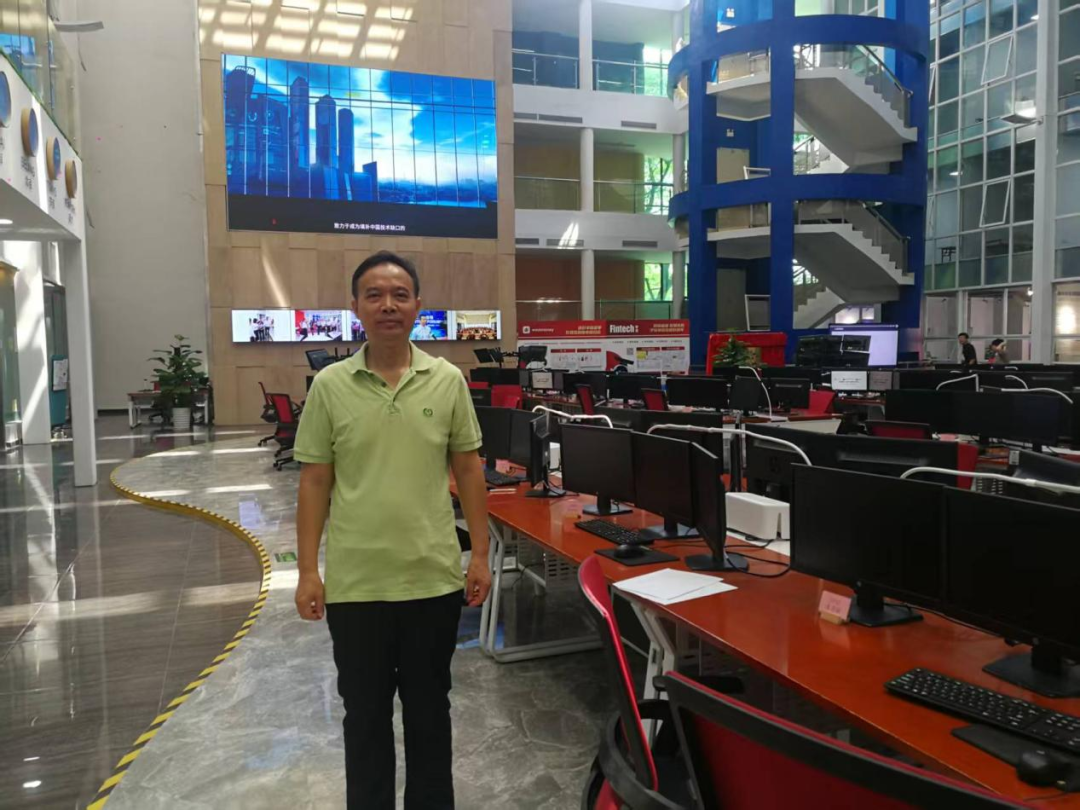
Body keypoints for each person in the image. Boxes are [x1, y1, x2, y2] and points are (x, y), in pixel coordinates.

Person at [293, 251, 491, 810]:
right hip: (357, 586)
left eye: (399, 295)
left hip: (432, 580)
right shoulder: (330, 385)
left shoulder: (446, 380)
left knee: (431, 714)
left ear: (418, 306)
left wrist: (479, 554)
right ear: (355, 307)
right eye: (374, 295)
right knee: (365, 719)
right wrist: (308, 571)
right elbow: (314, 482)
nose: (387, 305)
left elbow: (468, 469)